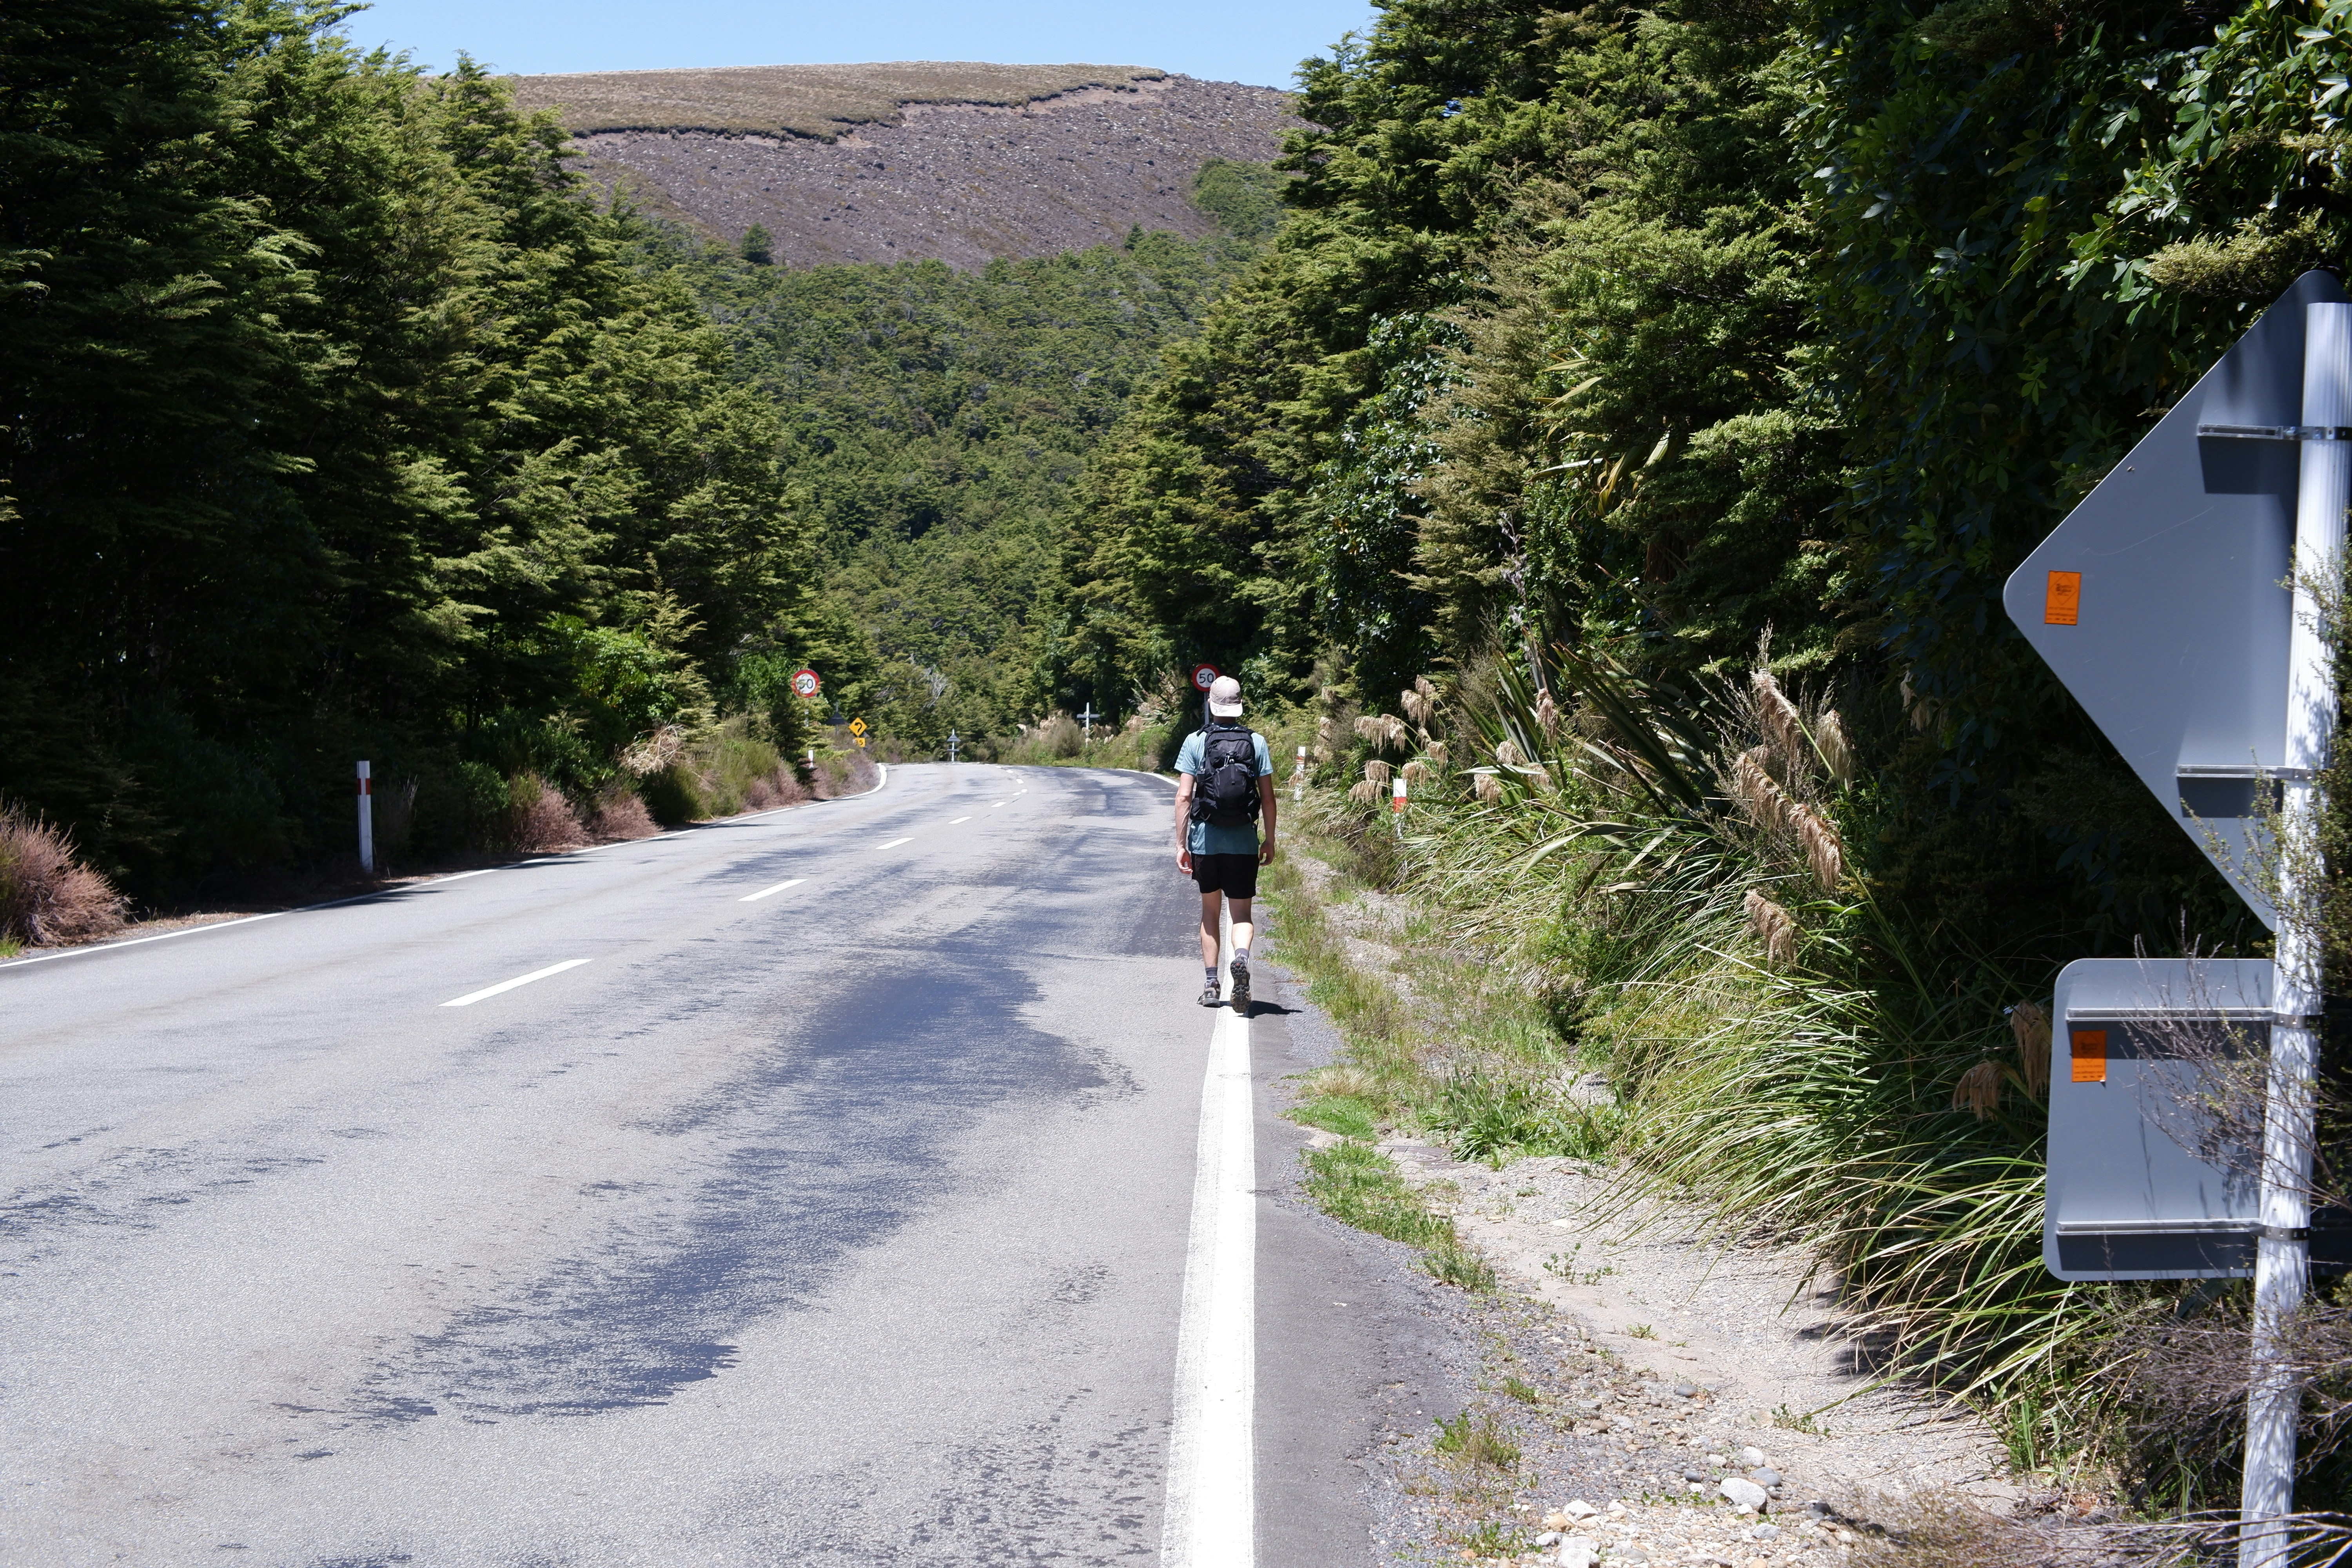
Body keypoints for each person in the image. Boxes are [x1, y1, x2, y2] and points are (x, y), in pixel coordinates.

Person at [1173, 675, 1276, 1011]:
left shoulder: (1195, 741)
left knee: (1210, 912)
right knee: (1242, 914)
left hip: (1206, 839)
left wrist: (1181, 844)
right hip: (1244, 841)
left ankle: (1210, 984)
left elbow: (1185, 796)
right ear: (1239, 704)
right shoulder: (1256, 742)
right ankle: (1242, 960)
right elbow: (1268, 798)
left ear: (1211, 704)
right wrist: (1269, 840)